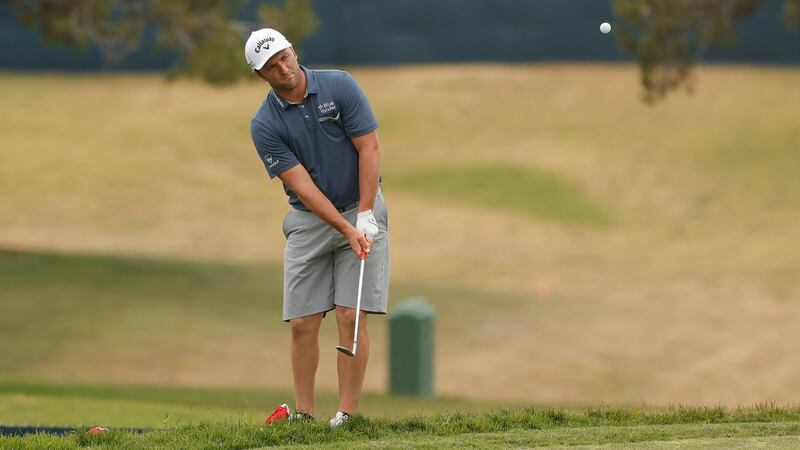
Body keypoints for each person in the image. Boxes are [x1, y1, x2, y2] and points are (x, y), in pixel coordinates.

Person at [244, 28, 390, 427]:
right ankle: (305, 416)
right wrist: (345, 228)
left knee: (350, 315)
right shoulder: (265, 125)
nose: (284, 69)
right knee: (303, 322)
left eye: (285, 57)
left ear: (294, 51)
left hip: (363, 209)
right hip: (310, 223)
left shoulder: (339, 85)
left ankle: (346, 415)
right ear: (261, 75)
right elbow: (303, 187)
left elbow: (369, 147)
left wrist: (363, 215)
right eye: (272, 67)